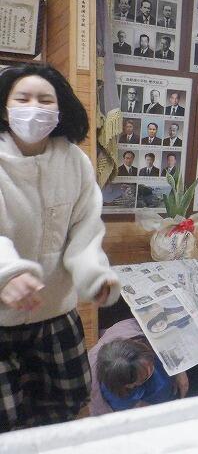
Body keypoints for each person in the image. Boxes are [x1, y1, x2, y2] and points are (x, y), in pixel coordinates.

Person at [0, 64, 119, 432]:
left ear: (60, 109)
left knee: (65, 415)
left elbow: (85, 230)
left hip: (56, 317)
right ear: (4, 107)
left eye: (45, 100)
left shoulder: (75, 161)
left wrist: (94, 276)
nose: (33, 108)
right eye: (22, 98)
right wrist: (7, 274)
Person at [89, 319, 198, 416]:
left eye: (150, 363)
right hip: (166, 403)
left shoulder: (132, 335)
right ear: (130, 385)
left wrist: (178, 370)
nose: (151, 370)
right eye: (146, 375)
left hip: (175, 375)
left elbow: (161, 332)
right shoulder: (118, 399)